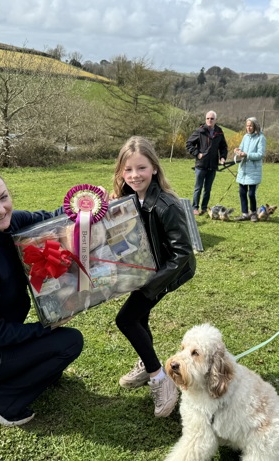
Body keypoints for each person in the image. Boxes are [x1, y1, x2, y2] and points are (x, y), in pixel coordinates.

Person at [0, 154, 84, 427]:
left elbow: (50, 219)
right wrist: (47, 328)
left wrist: (88, 208)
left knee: (52, 362)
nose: (0, 209)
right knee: (68, 342)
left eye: (4, 197)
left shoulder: (11, 225)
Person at [112, 136, 196, 417]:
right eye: (128, 170)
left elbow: (182, 252)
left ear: (155, 169)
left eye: (141, 168)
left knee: (125, 319)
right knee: (139, 318)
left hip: (165, 272)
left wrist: (151, 285)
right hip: (144, 269)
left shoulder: (167, 205)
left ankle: (160, 378)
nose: (134, 175)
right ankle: (145, 362)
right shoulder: (130, 198)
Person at [186, 110, 228, 216]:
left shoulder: (219, 132)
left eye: (212, 119)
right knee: (198, 188)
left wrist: (222, 157)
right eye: (208, 118)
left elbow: (223, 146)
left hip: (212, 166)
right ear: (205, 119)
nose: (209, 120)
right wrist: (197, 153)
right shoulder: (200, 131)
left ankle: (204, 208)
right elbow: (189, 143)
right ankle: (195, 207)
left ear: (215, 120)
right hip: (201, 165)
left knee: (208, 189)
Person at [233, 117, 266, 222]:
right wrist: (237, 152)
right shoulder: (245, 137)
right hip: (243, 169)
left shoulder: (261, 138)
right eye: (247, 126)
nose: (248, 128)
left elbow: (260, 155)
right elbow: (241, 149)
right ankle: (244, 213)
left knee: (251, 193)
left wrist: (247, 155)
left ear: (255, 126)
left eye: (250, 125)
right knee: (242, 192)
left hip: (254, 170)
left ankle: (253, 213)